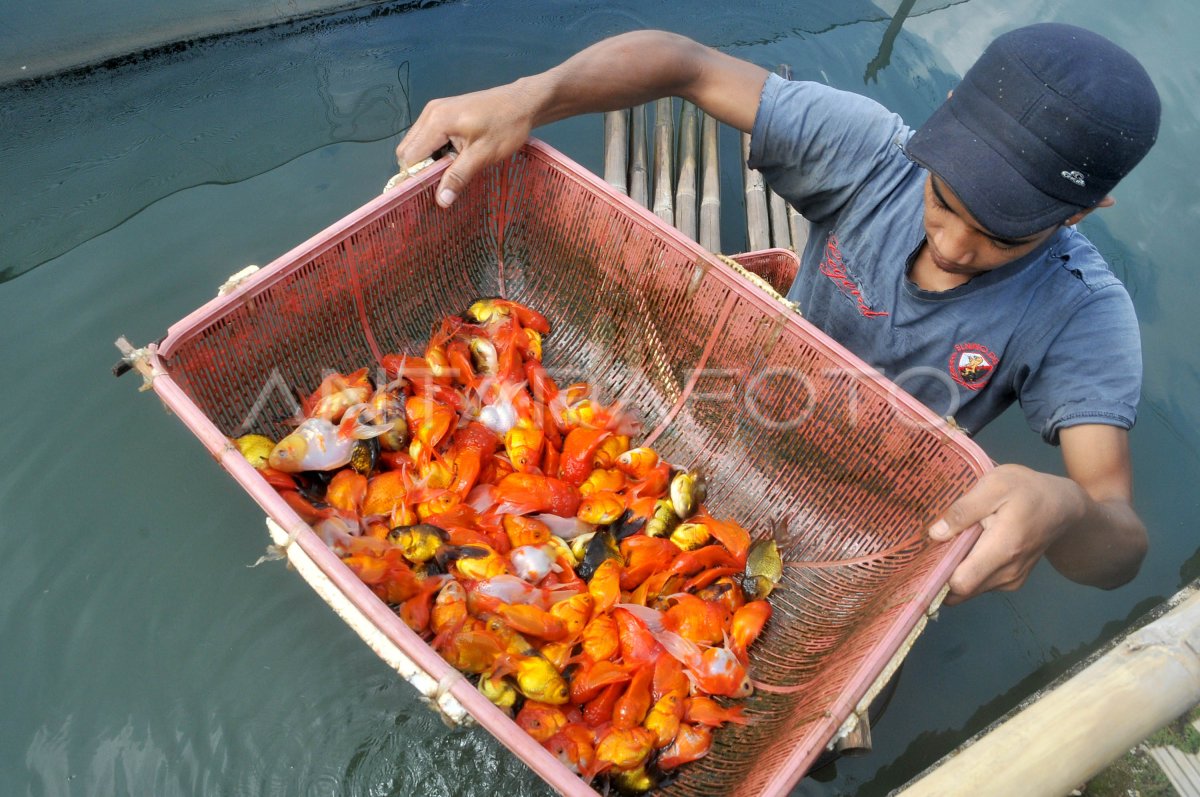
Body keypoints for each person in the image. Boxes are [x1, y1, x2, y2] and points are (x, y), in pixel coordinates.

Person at [395, 24, 1159, 606]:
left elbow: (1119, 543)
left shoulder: (1082, 314)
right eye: (944, 200)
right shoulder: (876, 155)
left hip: (870, 505)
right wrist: (529, 95)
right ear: (944, 130)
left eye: (1001, 233)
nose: (954, 245)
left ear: (1088, 211)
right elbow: (681, 64)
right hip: (745, 404)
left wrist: (1062, 506)